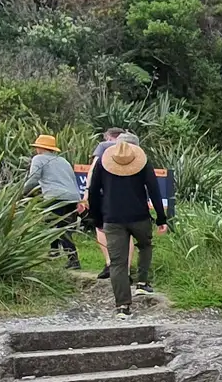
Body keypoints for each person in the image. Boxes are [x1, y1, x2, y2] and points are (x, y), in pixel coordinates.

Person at [86, 133, 170, 318]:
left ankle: (122, 307)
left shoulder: (102, 164)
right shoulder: (143, 163)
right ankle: (142, 283)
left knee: (118, 263)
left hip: (112, 218)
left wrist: (96, 218)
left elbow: (93, 191)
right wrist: (162, 219)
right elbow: (154, 190)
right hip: (139, 216)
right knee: (145, 245)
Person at [25, 134, 83, 270]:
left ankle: (73, 259)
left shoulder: (39, 159)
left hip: (55, 197)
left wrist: (22, 191)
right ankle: (53, 252)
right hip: (72, 196)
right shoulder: (63, 161)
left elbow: (34, 178)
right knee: (55, 225)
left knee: (58, 228)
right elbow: (72, 179)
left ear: (40, 148)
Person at [85, 127, 128, 280]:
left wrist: (88, 191)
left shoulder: (104, 147)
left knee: (101, 228)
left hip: (105, 194)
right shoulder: (132, 147)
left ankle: (110, 263)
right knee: (127, 230)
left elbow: (93, 170)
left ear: (109, 137)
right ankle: (126, 267)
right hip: (127, 195)